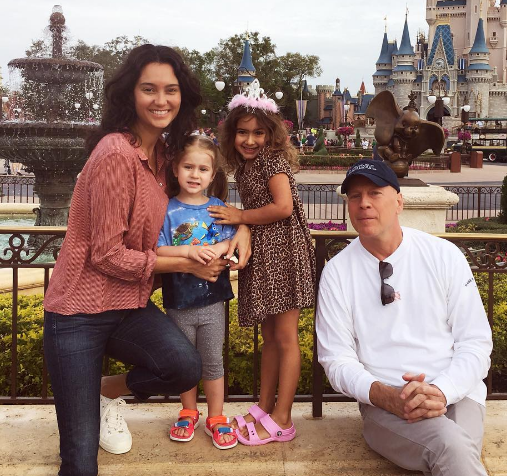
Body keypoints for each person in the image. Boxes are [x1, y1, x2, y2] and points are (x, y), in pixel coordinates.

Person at [43, 44, 251, 476]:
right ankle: (84, 400)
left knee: (183, 366)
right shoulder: (116, 154)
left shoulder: (163, 159)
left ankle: (100, 392)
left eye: (171, 90)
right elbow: (105, 254)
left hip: (126, 306)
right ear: (130, 95)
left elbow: (197, 209)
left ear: (183, 96)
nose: (161, 100)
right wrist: (186, 264)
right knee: (81, 461)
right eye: (149, 89)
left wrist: (243, 226)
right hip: (78, 311)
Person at [316, 159, 492, 475]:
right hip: (386, 404)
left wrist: (441, 390)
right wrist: (384, 394)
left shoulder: (443, 255)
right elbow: (336, 359)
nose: (364, 203)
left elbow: (475, 342)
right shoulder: (338, 272)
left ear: (399, 201)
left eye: (374, 193)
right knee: (452, 448)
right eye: (354, 196)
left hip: (458, 392)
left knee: (454, 449)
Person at [208, 87, 315, 446]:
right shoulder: (247, 166)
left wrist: (240, 216)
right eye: (242, 132)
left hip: (284, 254)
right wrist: (243, 224)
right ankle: (265, 406)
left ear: (271, 134)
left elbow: (283, 207)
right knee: (269, 338)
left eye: (258, 132)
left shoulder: (270, 162)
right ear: (231, 134)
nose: (250, 140)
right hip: (267, 255)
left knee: (285, 338)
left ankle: (283, 417)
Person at [157, 135, 238, 450]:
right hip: (178, 301)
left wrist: (218, 246)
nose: (194, 174)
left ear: (213, 173)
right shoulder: (168, 210)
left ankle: (215, 417)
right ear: (176, 168)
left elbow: (232, 237)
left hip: (212, 300)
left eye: (202, 168)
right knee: (187, 362)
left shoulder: (217, 208)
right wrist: (189, 254)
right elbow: (158, 249)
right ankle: (188, 411)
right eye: (188, 166)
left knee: (212, 361)